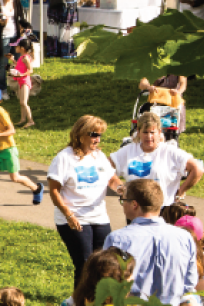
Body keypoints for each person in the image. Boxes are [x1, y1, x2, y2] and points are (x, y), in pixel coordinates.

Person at [48, 115, 124, 286]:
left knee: (104, 263)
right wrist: (68, 215)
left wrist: (122, 189)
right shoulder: (64, 158)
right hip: (73, 218)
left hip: (99, 216)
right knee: (85, 265)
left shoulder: (98, 156)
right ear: (80, 135)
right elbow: (53, 191)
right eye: (93, 135)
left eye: (99, 135)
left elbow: (111, 178)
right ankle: (80, 300)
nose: (97, 139)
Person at [104, 179, 201, 305]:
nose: (123, 205)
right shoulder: (184, 237)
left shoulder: (117, 239)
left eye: (123, 201)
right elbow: (189, 286)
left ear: (134, 204)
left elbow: (108, 284)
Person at [110, 113, 204, 210]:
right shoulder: (129, 150)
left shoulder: (170, 152)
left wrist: (181, 191)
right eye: (145, 132)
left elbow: (198, 169)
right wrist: (118, 186)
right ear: (138, 131)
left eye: (152, 132)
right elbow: (104, 167)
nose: (149, 137)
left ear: (159, 132)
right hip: (135, 210)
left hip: (163, 209)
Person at [0, 85, 44, 212]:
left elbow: (12, 130)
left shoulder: (1, 112)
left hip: (8, 149)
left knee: (15, 178)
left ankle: (36, 188)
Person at [0, 0, 27, 91]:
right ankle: (3, 89)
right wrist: (2, 23)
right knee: (4, 63)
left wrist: (25, 27)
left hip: (16, 36)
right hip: (4, 37)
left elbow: (21, 17)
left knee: (18, 61)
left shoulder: (16, 2)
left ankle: (17, 87)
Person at [10, 39, 37, 127]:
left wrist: (22, 75)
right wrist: (12, 60)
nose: (15, 48)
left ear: (22, 48)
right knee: (21, 102)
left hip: (25, 81)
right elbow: (19, 65)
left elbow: (31, 70)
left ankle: (31, 121)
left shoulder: (25, 58)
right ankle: (23, 119)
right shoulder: (22, 57)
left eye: (17, 46)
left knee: (24, 102)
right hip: (21, 81)